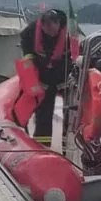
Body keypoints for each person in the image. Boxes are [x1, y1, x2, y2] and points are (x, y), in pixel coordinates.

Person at [14, 9, 74, 146]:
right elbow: (25, 43)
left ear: (58, 24)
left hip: (64, 76)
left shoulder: (70, 33)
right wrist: (30, 60)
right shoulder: (32, 30)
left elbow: (76, 54)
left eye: (53, 30)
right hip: (43, 76)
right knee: (43, 115)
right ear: (43, 25)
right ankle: (41, 145)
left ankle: (66, 146)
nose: (51, 34)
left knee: (69, 114)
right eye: (47, 30)